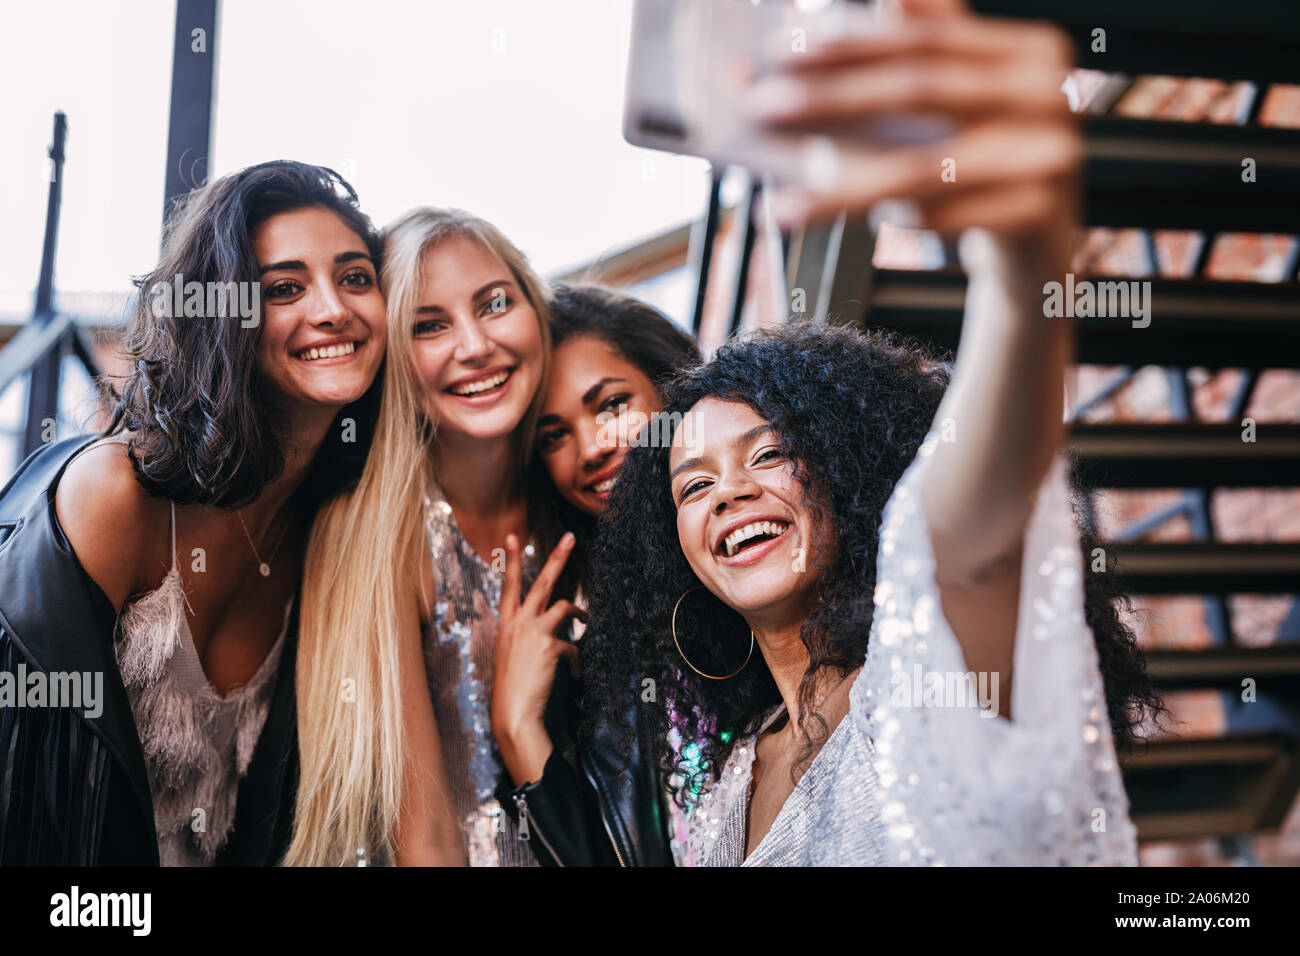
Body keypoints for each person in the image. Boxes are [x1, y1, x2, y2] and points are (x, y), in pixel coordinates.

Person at [578, 0, 1164, 865]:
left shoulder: (935, 670)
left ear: (853, 477)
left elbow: (970, 527)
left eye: (770, 453)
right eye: (692, 485)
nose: (729, 491)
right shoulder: (726, 789)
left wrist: (1020, 266)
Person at [0, 160, 387, 866]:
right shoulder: (116, 495)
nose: (334, 308)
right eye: (285, 288)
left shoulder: (329, 525)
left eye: (356, 277)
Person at [296, 207, 578, 866]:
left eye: (495, 303)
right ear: (392, 353)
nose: (475, 346)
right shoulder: (372, 537)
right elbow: (422, 839)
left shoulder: (574, 489)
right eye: (429, 326)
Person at [490, 284, 700, 865]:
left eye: (611, 405)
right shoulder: (606, 668)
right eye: (554, 435)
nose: (590, 447)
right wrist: (517, 729)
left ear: (672, 388)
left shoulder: (774, 552)